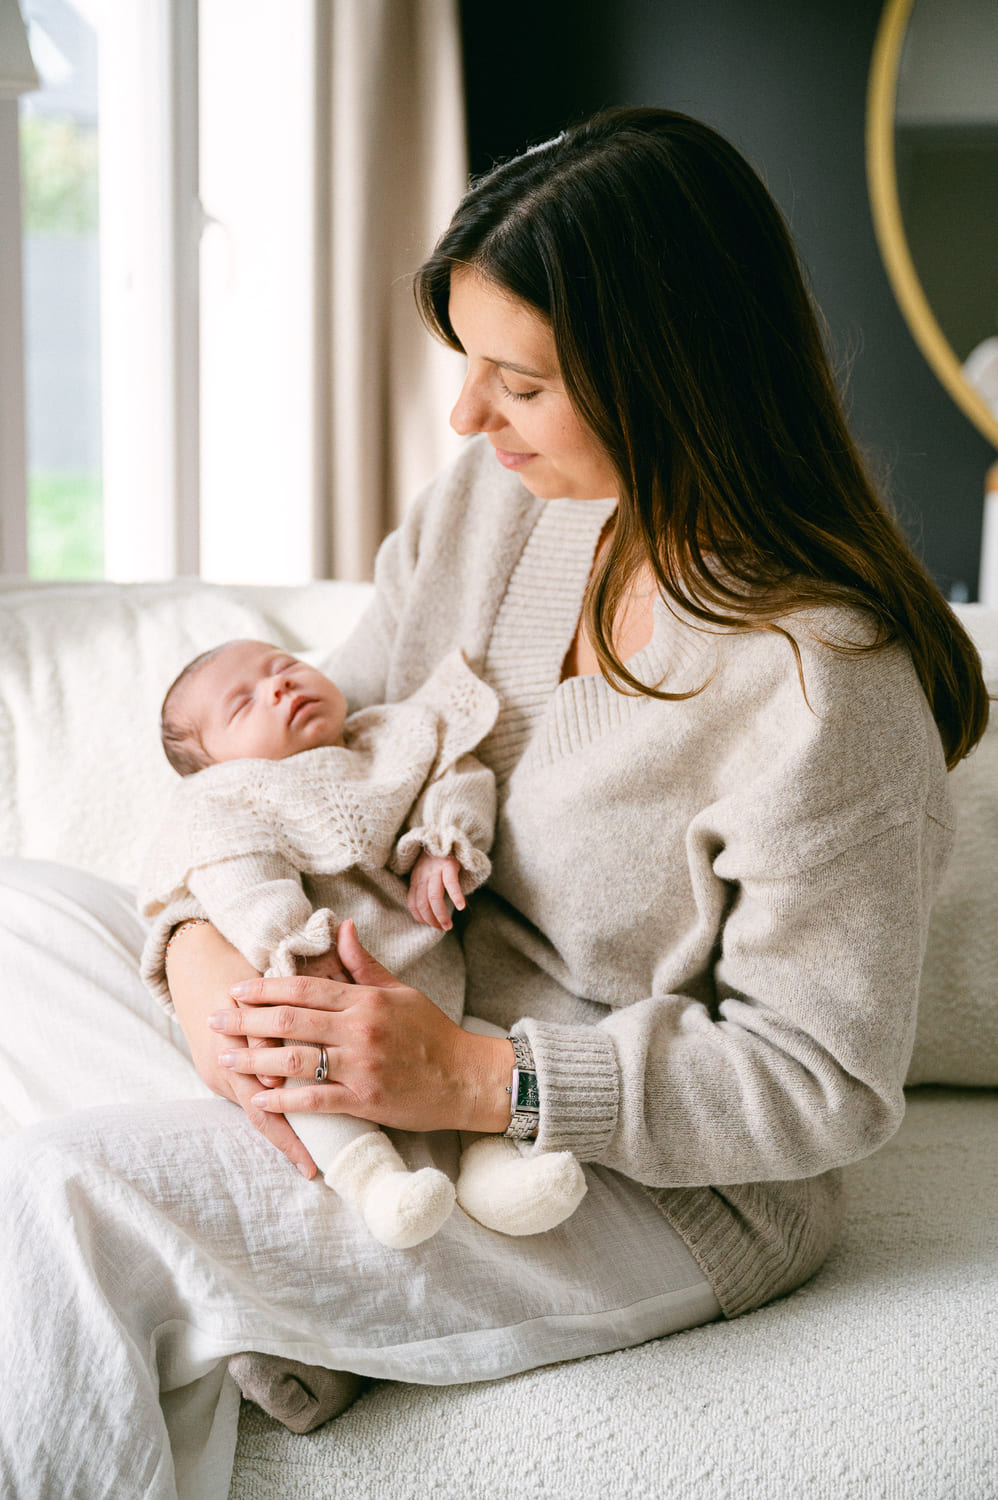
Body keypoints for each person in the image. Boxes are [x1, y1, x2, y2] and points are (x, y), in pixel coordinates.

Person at [0, 107, 988, 1500]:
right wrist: (212, 979)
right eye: (469, 366)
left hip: (631, 1178)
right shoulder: (498, 500)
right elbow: (296, 763)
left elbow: (819, 1084)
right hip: (392, 1025)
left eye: (515, 383)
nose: (467, 417)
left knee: (66, 1196)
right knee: (20, 916)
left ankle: (251, 1262)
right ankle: (271, 1271)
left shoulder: (822, 686)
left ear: (668, 378)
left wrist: (469, 1079)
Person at [139, 637, 587, 1256]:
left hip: (433, 988)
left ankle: (496, 1173)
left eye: (285, 665)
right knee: (299, 1081)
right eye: (243, 705)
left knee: (485, 1044)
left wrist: (442, 841)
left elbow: (456, 771)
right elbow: (242, 879)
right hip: (315, 988)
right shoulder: (225, 800)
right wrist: (295, 943)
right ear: (214, 764)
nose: (278, 686)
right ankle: (375, 1183)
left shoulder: (391, 739)